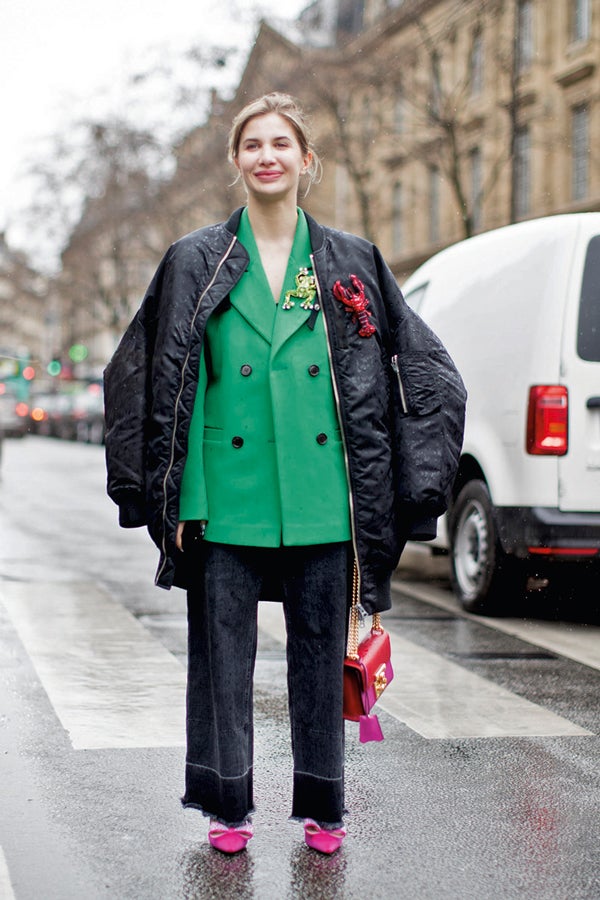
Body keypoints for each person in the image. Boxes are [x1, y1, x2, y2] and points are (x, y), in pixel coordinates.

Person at [104, 92, 466, 855]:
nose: (267, 156)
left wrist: (413, 488)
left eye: (281, 143)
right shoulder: (194, 259)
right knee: (222, 660)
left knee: (316, 657)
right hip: (223, 498)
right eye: (252, 145)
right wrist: (166, 497)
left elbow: (425, 369)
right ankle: (227, 803)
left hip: (324, 497)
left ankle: (324, 806)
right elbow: (146, 374)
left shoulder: (351, 261)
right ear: (237, 163)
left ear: (307, 161)